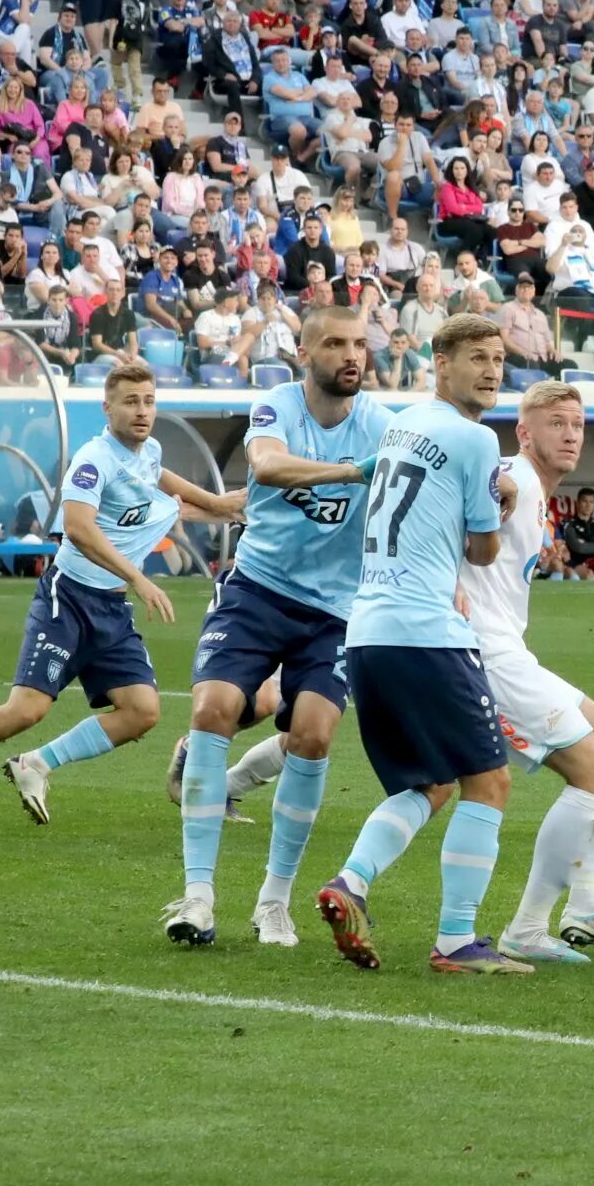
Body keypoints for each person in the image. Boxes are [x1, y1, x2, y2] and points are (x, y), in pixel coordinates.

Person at [0, 361, 241, 836]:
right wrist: (141, 579)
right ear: (107, 408)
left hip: (110, 606)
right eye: (130, 402)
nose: (142, 411)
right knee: (27, 709)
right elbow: (80, 530)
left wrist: (218, 502)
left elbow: (160, 476)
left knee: (142, 711)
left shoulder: (148, 452)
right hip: (68, 598)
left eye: (149, 401)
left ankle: (37, 764)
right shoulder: (93, 459)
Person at [163, 307, 389, 948]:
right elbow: (266, 466)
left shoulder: (381, 423)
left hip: (338, 609)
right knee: (213, 711)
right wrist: (353, 472)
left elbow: (429, 473)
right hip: (258, 589)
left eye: (359, 344)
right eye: (336, 344)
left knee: (313, 737)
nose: (352, 354)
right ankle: (198, 896)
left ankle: (274, 901)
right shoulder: (278, 406)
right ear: (306, 352)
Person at [314, 314, 530, 975]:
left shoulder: (401, 424)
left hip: (369, 630)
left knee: (430, 780)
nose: (492, 371)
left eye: (498, 360)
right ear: (440, 361)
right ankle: (457, 941)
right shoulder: (474, 440)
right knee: (488, 779)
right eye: (477, 358)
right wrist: (508, 500)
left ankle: (349, 882)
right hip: (427, 631)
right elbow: (484, 550)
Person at [472, 380, 594, 963]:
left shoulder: (533, 489)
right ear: (524, 432)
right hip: (484, 655)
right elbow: (465, 489)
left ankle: (586, 902)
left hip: (507, 649)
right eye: (557, 423)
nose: (571, 433)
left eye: (577, 423)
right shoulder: (515, 477)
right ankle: (528, 928)